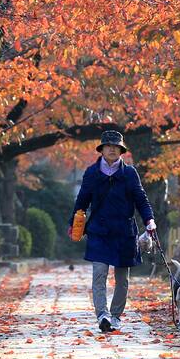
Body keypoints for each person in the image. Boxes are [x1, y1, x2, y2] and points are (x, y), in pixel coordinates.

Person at [68, 129, 155, 332]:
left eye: (116, 146)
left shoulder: (130, 173)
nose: (112, 149)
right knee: (99, 274)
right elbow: (82, 200)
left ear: (121, 150)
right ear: (102, 149)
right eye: (108, 146)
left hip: (124, 233)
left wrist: (149, 220)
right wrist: (73, 222)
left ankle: (115, 316)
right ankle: (102, 315)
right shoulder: (92, 172)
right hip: (99, 231)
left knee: (122, 279)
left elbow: (141, 199)